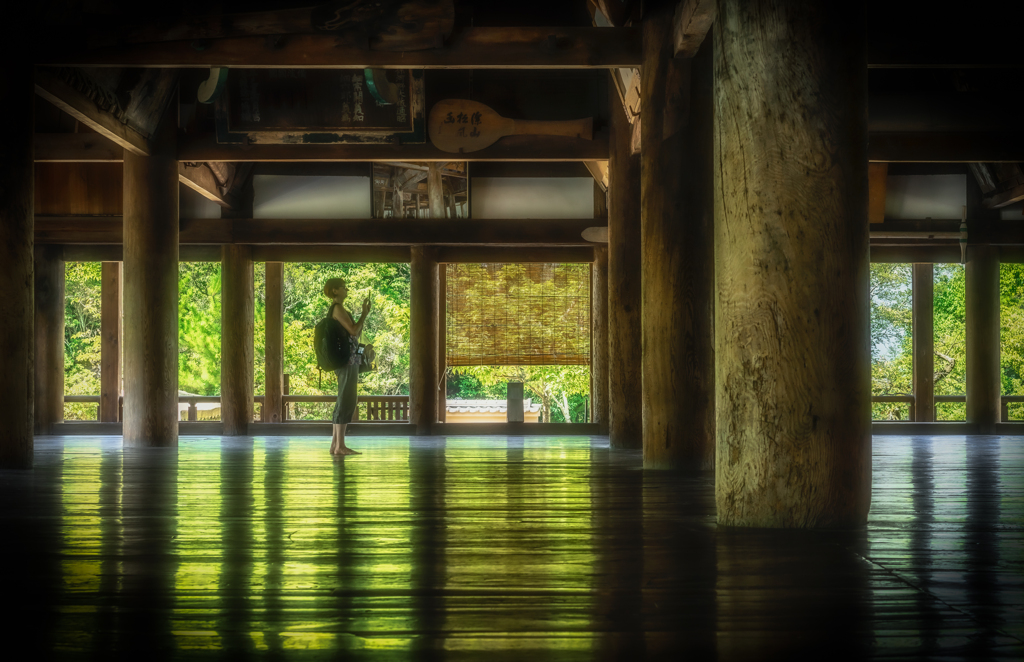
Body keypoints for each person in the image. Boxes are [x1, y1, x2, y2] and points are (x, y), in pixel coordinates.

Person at [323, 277, 372, 456]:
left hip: (348, 359)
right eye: (343, 287)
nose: (347, 290)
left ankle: (335, 445)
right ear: (335, 291)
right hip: (346, 360)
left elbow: (355, 332)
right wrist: (364, 314)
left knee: (344, 399)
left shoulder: (337, 309)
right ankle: (339, 446)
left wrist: (364, 314)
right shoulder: (338, 308)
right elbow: (353, 331)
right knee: (346, 400)